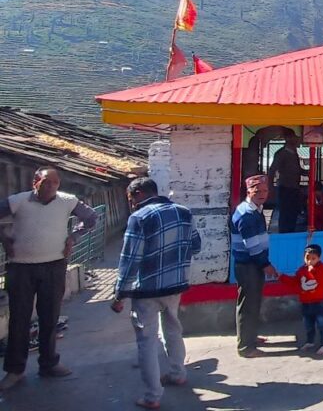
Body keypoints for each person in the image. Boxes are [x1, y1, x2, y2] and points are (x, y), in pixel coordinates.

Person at [0, 166, 98, 390]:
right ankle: (15, 370)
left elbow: (91, 218)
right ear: (36, 182)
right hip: (21, 268)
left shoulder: (67, 201)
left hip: (54, 265)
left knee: (50, 317)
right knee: (19, 319)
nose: (50, 188)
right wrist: (5, 239)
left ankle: (48, 363)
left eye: (54, 184)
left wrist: (73, 237)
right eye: (46, 183)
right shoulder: (18, 201)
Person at [111, 177, 202, 410]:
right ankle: (178, 373)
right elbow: (196, 245)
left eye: (131, 199)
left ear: (140, 193)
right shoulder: (183, 212)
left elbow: (130, 259)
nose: (131, 204)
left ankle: (152, 396)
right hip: (176, 284)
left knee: (147, 341)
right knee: (173, 328)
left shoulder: (139, 218)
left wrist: (120, 293)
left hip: (147, 289)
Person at [231, 175, 279, 358]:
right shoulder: (246, 215)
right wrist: (265, 265)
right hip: (249, 264)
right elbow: (252, 246)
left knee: (252, 302)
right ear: (248, 191)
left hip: (252, 264)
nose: (262, 194)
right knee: (248, 305)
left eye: (265, 191)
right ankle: (245, 347)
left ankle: (249, 337)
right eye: (257, 191)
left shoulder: (255, 210)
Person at [279, 244, 323, 356]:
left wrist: (312, 272)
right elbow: (294, 281)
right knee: (308, 324)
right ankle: (310, 341)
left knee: (322, 323)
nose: (310, 261)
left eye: (313, 258)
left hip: (318, 302)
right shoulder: (302, 270)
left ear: (319, 258)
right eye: (307, 258)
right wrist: (281, 277)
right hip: (305, 302)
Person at [268, 136, 302, 233]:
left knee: (293, 212)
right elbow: (272, 170)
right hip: (285, 188)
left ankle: (290, 232)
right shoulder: (281, 154)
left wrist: (307, 172)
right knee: (285, 213)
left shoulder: (294, 153)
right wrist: (270, 187)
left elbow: (297, 170)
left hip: (294, 188)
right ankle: (284, 234)